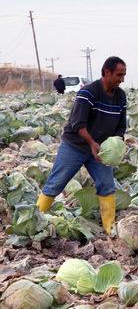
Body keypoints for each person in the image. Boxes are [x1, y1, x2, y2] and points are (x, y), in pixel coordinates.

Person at [36, 57, 127, 234]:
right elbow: (77, 123)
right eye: (119, 75)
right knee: (56, 183)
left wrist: (116, 145)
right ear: (107, 72)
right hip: (75, 146)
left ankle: (109, 229)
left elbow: (120, 126)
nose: (122, 79)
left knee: (107, 185)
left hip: (100, 151)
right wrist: (92, 142)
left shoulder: (120, 96)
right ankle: (35, 219)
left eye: (124, 75)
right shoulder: (88, 92)